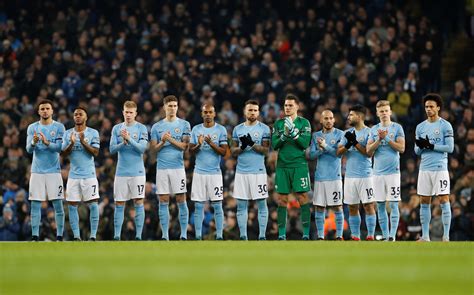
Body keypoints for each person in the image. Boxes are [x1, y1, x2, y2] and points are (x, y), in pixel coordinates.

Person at [271, 94, 312, 240]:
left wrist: (294, 134)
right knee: (282, 199)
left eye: (290, 105)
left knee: (302, 197)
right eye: (285, 105)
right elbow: (274, 145)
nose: (287, 108)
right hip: (282, 165)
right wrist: (283, 136)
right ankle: (282, 234)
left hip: (299, 165)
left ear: (297, 107)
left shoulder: (304, 123)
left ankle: (306, 234)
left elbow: (305, 143)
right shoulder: (278, 124)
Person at [150, 95, 191, 240]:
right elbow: (153, 149)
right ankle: (165, 235)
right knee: (163, 201)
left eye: (174, 106)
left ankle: (184, 234)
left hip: (178, 168)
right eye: (170, 106)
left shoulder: (185, 125)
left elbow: (184, 147)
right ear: (164, 107)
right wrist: (162, 142)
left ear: (178, 107)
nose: (172, 108)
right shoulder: (156, 127)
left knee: (181, 199)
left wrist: (169, 139)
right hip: (162, 169)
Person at [414, 93, 454, 242]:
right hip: (424, 169)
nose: (428, 109)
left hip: (440, 168)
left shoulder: (445, 125)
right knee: (424, 201)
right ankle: (425, 236)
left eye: (431, 106)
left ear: (438, 108)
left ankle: (446, 236)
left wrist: (431, 145)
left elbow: (450, 148)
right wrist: (421, 146)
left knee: (444, 200)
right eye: (426, 107)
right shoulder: (420, 127)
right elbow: (416, 151)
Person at [26, 99, 66, 241]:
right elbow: (28, 149)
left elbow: (61, 148)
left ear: (52, 111)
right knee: (35, 203)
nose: (45, 111)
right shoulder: (32, 128)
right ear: (38, 111)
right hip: (37, 171)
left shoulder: (59, 127)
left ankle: (60, 235)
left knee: (58, 204)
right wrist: (33, 142)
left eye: (47, 108)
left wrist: (46, 142)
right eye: (42, 109)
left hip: (54, 172)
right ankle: (35, 235)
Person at [231, 100, 270, 240]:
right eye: (250, 110)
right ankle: (243, 236)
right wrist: (242, 147)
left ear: (258, 112)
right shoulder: (237, 129)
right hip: (241, 172)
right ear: (245, 111)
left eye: (255, 110)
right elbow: (232, 151)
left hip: (259, 171)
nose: (252, 112)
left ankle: (262, 236)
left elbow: (266, 151)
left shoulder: (264, 129)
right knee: (241, 205)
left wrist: (252, 144)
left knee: (261, 203)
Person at [366, 100, 405, 241]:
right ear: (377, 113)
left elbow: (402, 148)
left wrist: (386, 138)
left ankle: (393, 236)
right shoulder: (373, 130)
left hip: (393, 172)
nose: (383, 113)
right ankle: (385, 235)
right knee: (380, 205)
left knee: (394, 204)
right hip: (377, 173)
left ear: (390, 112)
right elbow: (368, 152)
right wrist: (378, 140)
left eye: (386, 110)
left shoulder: (397, 128)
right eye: (381, 111)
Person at [109, 100, 149, 240]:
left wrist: (129, 139)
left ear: (136, 113)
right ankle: (117, 236)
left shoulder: (142, 128)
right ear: (123, 112)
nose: (128, 115)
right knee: (119, 203)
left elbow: (143, 149)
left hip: (137, 172)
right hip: (121, 172)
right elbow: (112, 149)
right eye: (126, 112)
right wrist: (122, 143)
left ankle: (138, 236)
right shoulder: (116, 129)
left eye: (131, 112)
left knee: (138, 202)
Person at [189, 104, 229, 240]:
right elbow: (190, 151)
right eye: (205, 112)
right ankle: (198, 235)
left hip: (215, 173)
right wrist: (199, 144)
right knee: (198, 205)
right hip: (199, 173)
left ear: (214, 114)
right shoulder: (195, 129)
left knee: (217, 205)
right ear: (202, 114)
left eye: (210, 112)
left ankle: (219, 235)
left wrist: (211, 143)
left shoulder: (221, 130)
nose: (207, 114)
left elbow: (224, 152)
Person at [337, 104, 376, 241]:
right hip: (349, 176)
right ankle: (355, 236)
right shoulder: (346, 133)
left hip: (365, 175)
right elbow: (338, 152)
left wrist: (354, 142)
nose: (348, 117)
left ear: (359, 117)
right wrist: (348, 144)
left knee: (368, 205)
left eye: (351, 115)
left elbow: (368, 153)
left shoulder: (370, 132)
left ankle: (370, 235)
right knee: (352, 207)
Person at [61, 107, 100, 241]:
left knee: (93, 204)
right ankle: (77, 236)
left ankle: (93, 235)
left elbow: (95, 152)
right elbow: (63, 154)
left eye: (80, 114)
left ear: (86, 117)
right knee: (72, 205)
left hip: (89, 175)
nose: (78, 116)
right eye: (75, 114)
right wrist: (71, 143)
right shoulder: (67, 134)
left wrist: (83, 142)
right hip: (73, 175)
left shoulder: (93, 133)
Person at [308, 110, 345, 240]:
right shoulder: (315, 135)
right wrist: (320, 150)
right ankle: (320, 236)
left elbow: (339, 153)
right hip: (320, 177)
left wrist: (325, 145)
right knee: (319, 207)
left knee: (337, 206)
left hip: (335, 177)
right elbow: (311, 155)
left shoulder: (341, 134)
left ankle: (339, 236)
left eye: (330, 118)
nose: (328, 121)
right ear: (321, 120)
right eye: (326, 118)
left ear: (334, 120)